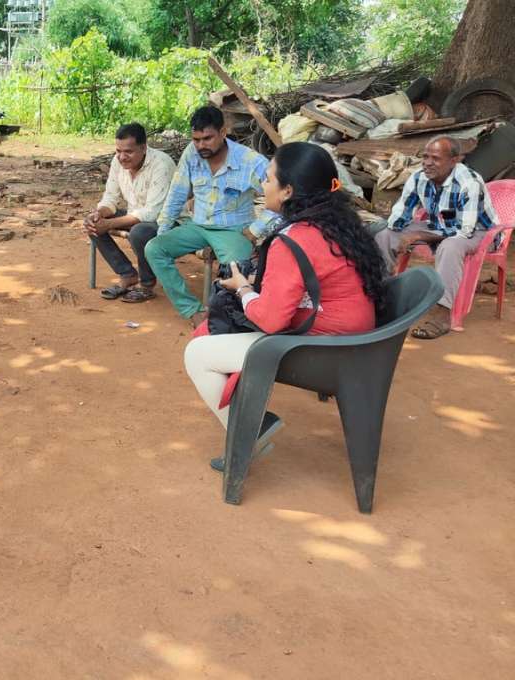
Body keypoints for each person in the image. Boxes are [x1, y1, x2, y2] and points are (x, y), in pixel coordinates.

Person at [183, 142, 388, 472]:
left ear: (289, 190)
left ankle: (250, 432)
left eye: (267, 179)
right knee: (214, 334)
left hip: (325, 350)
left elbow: (271, 320)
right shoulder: (337, 222)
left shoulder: (293, 238)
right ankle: (248, 419)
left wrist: (245, 288)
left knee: (197, 353)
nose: (262, 186)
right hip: (357, 340)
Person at [145, 105, 276, 327]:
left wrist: (256, 230)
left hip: (233, 230)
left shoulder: (251, 161)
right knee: (154, 248)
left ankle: (228, 318)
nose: (201, 145)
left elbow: (280, 199)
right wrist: (164, 230)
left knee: (238, 270)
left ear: (223, 133)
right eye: (196, 139)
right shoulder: (191, 153)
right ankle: (192, 310)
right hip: (197, 226)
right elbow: (177, 193)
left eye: (207, 138)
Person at [375, 135, 498, 339]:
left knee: (450, 247)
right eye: (425, 157)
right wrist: (394, 228)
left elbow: (464, 232)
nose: (427, 163)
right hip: (439, 225)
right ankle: (380, 297)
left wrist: (421, 235)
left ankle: (442, 314)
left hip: (478, 232)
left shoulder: (469, 182)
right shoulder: (419, 177)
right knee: (385, 236)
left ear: (454, 160)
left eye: (435, 158)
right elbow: (400, 213)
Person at [84, 122, 176, 303]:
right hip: (137, 215)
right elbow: (110, 197)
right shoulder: (117, 161)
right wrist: (99, 214)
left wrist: (109, 224)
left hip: (168, 220)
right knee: (93, 223)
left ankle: (147, 285)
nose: (122, 157)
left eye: (128, 152)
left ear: (143, 148)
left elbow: (152, 213)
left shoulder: (161, 164)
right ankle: (127, 274)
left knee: (140, 232)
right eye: (118, 151)